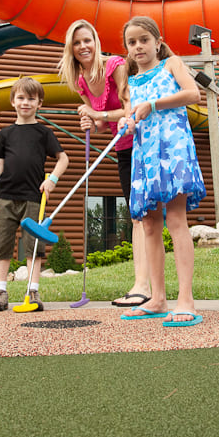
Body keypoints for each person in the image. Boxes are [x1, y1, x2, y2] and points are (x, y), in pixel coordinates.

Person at [57, 19, 151, 308]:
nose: (83, 46)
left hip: (142, 142)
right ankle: (143, 285)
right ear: (71, 49)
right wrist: (90, 122)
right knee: (136, 215)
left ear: (96, 42)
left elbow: (128, 109)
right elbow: (101, 125)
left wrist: (98, 115)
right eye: (77, 42)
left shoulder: (115, 66)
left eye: (87, 40)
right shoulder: (81, 82)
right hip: (122, 148)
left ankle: (143, 285)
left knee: (144, 215)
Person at [118, 16, 206, 326]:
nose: (138, 46)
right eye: (132, 42)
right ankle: (157, 299)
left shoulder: (171, 64)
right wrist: (127, 122)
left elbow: (193, 93)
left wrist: (153, 105)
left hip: (173, 149)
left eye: (144, 39)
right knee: (150, 224)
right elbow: (131, 116)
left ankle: (186, 300)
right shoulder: (130, 82)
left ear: (157, 42)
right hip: (145, 155)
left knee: (176, 219)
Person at [0, 77, 69, 312]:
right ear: (13, 101)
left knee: (34, 245)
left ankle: (33, 291)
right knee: (2, 244)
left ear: (39, 103)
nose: (25, 103)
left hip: (33, 198)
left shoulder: (43, 133)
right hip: (5, 197)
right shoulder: (5, 134)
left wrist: (52, 179)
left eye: (31, 99)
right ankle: (0, 291)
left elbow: (63, 159)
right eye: (21, 98)